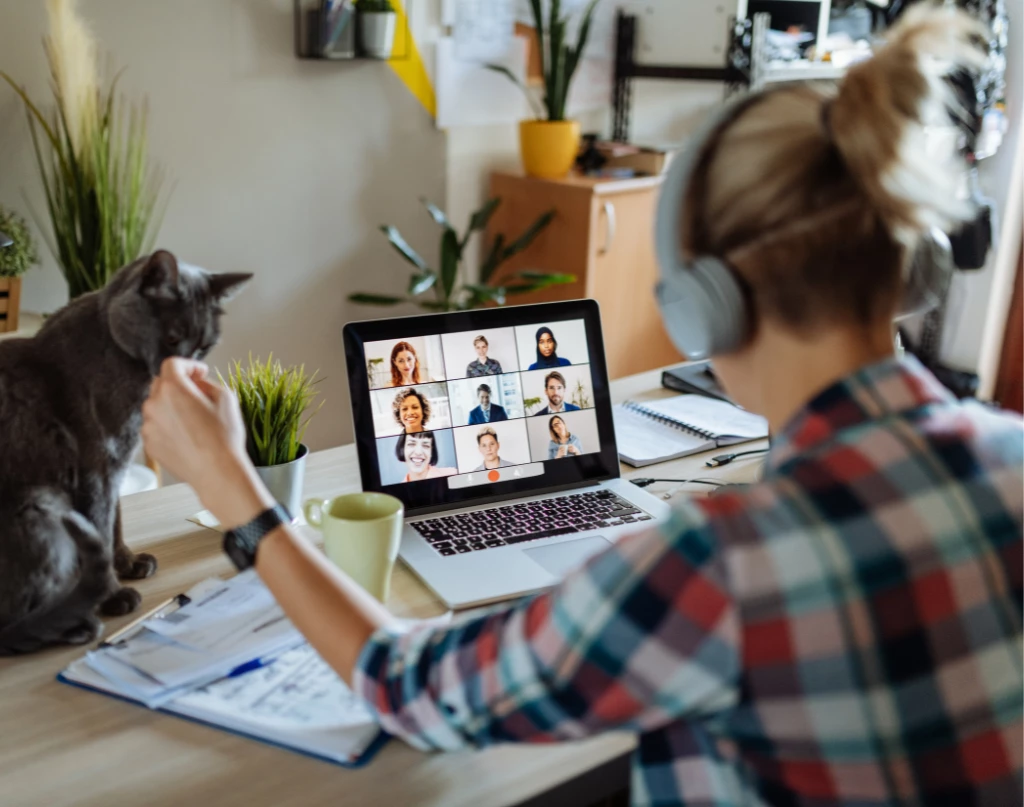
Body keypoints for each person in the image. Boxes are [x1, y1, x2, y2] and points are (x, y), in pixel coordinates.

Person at [141, 11, 1021, 805]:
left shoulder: (721, 565)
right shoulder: (1011, 458)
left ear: (708, 302)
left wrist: (239, 492)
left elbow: (411, 689)